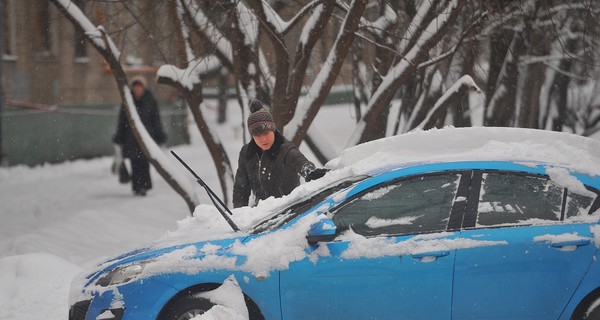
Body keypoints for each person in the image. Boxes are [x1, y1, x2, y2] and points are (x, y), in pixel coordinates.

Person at [233, 99, 328, 208]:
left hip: (289, 212)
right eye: (258, 135)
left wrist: (311, 172)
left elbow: (301, 162)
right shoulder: (247, 153)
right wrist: (239, 216)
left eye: (266, 133)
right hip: (261, 214)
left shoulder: (286, 150)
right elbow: (241, 188)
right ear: (252, 136)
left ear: (273, 130)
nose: (263, 139)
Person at [113, 75, 166, 196]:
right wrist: (119, 137)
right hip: (130, 138)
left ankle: (144, 187)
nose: (137, 88)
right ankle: (136, 186)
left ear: (143, 87)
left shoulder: (150, 101)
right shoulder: (128, 102)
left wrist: (159, 135)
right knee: (134, 162)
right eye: (135, 86)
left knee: (144, 162)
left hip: (147, 138)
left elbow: (156, 120)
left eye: (139, 86)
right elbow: (122, 121)